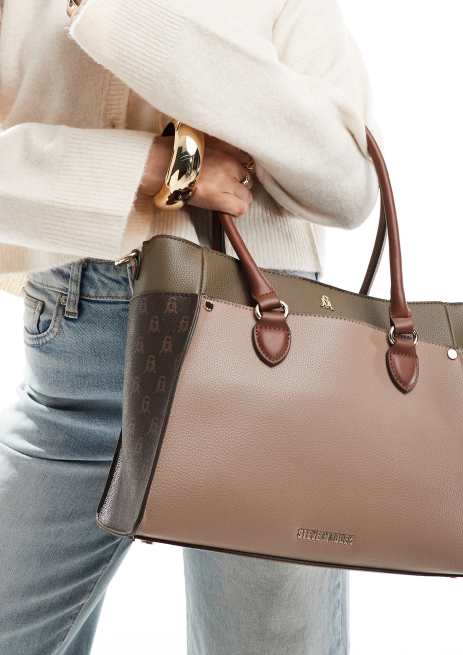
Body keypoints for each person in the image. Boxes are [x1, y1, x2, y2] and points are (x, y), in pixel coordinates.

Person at [0, 0, 379, 653]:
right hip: (74, 365)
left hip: (257, 359)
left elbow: (344, 185)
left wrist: (123, 17)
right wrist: (163, 166)